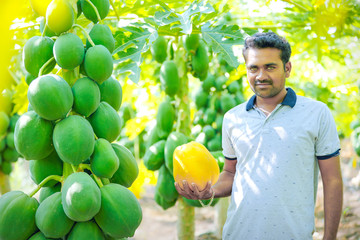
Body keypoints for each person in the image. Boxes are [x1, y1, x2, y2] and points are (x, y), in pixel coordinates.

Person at [175, 31, 343, 240]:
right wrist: (211, 191)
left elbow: (333, 180)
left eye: (270, 67)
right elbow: (230, 173)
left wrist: (330, 237)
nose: (261, 76)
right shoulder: (232, 118)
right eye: (253, 68)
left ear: (287, 68)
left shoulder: (317, 114)